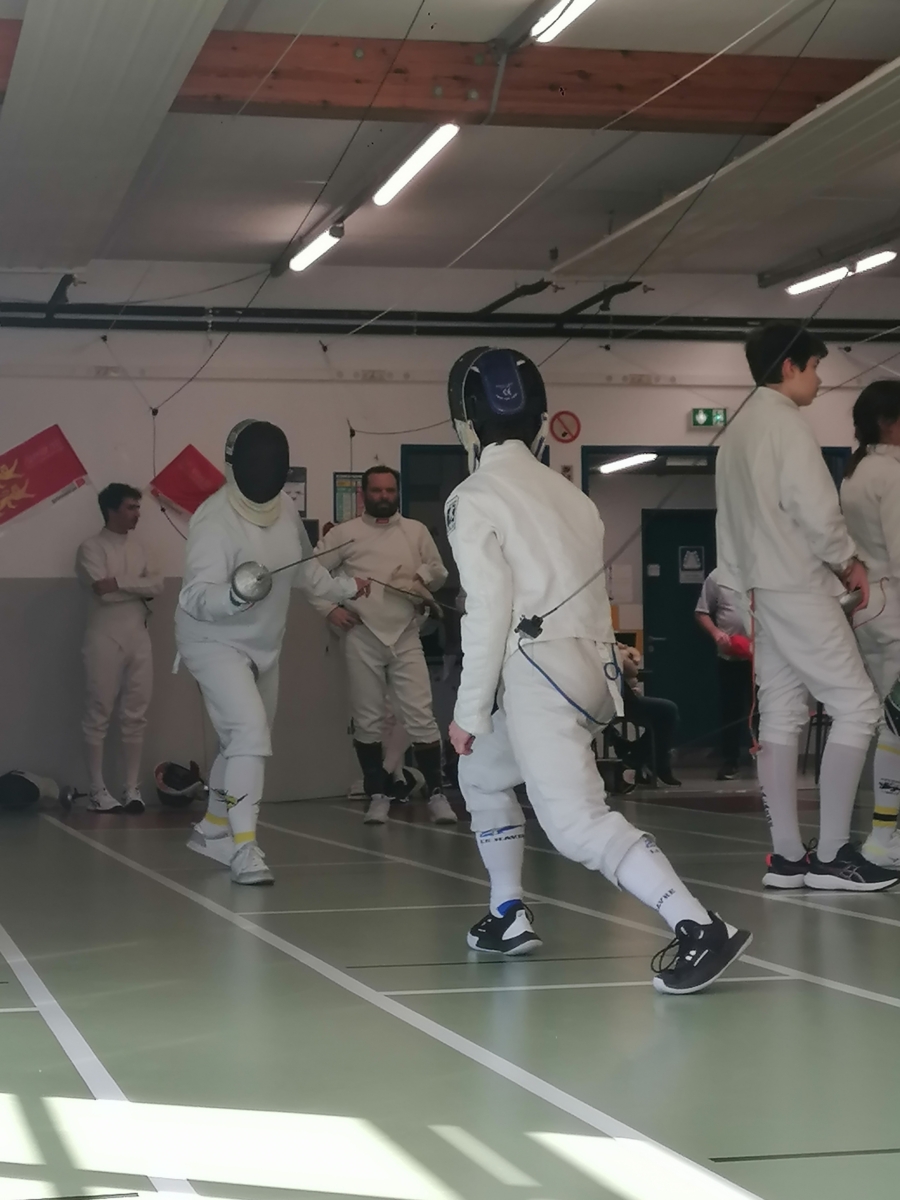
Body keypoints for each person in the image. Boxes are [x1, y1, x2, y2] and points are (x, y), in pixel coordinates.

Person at [445, 345, 751, 995]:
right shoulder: (572, 495)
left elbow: (488, 609)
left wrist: (468, 711)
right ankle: (507, 911)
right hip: (591, 673)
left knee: (577, 823)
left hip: (539, 676)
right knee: (483, 774)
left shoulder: (472, 497)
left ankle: (700, 926)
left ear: (466, 421)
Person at [716, 322, 895, 892]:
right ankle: (835, 855)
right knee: (858, 706)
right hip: (796, 584)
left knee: (782, 713)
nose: (819, 379)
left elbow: (727, 518)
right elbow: (815, 507)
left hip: (758, 589)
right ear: (790, 366)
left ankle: (790, 858)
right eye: (815, 367)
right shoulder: (785, 425)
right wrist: (847, 561)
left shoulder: (738, 428)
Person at [175, 420, 369, 885]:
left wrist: (347, 587)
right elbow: (194, 596)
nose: (266, 471)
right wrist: (234, 595)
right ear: (235, 465)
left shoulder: (283, 509)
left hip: (263, 646)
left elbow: (306, 571)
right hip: (212, 640)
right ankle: (244, 848)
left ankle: (213, 828)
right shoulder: (214, 520)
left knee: (240, 742)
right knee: (248, 733)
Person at [311, 466, 455, 826]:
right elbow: (310, 573)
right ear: (364, 494)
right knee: (367, 718)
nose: (384, 496)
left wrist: (422, 577)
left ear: (397, 492)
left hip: (406, 634)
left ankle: (437, 796)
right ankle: (378, 796)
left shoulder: (415, 531)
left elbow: (439, 572)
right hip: (362, 634)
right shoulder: (345, 534)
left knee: (421, 716)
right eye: (376, 490)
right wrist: (330, 610)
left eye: (390, 490)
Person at [840, 380, 900, 868]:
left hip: (868, 607)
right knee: (894, 726)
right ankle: (883, 837)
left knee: (889, 723)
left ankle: (884, 833)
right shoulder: (891, 472)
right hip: (893, 604)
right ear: (887, 421)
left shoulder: (856, 470)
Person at [76, 483, 162, 813]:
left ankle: (131, 789)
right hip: (103, 638)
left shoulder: (141, 548)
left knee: (135, 715)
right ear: (112, 510)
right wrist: (137, 587)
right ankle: (97, 790)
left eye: (138, 508)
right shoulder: (91, 547)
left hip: (139, 638)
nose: (137, 514)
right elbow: (102, 592)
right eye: (131, 507)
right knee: (98, 713)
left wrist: (119, 582)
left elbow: (157, 585)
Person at [695, 567, 754, 780]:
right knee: (731, 710)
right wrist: (716, 633)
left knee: (765, 709)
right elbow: (701, 612)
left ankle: (767, 758)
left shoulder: (764, 571)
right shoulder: (717, 577)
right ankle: (731, 761)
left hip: (762, 658)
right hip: (731, 656)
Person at [606, 644, 681, 787]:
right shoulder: (602, 646)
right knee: (668, 710)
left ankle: (635, 754)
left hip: (617, 697)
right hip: (616, 701)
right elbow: (631, 669)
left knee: (663, 714)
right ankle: (646, 759)